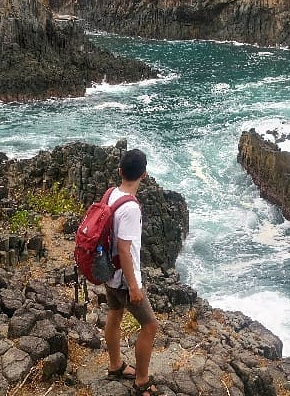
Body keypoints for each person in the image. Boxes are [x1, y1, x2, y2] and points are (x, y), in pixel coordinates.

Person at [104, 149, 163, 396]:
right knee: (150, 327)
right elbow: (125, 250)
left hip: (108, 272)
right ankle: (141, 382)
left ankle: (116, 365)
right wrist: (134, 286)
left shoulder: (111, 195)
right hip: (123, 279)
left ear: (119, 171)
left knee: (115, 315)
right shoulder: (130, 208)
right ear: (145, 174)